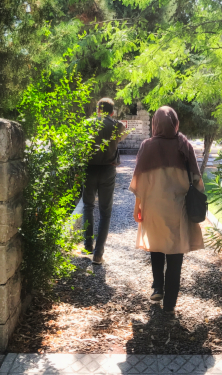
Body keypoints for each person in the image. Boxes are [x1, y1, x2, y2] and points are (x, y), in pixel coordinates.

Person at [129, 106, 204, 314]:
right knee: (175, 254)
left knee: (156, 246)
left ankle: (158, 287)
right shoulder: (184, 144)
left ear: (155, 124)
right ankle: (170, 303)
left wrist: (138, 207)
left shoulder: (146, 146)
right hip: (177, 209)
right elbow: (197, 180)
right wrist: (198, 202)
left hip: (153, 208)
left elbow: (140, 183)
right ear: (175, 123)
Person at [83, 98, 126, 264]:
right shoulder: (118, 125)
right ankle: (98, 254)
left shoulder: (87, 124)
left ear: (97, 110)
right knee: (105, 212)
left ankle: (87, 245)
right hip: (108, 170)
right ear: (112, 111)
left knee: (88, 206)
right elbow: (120, 139)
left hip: (89, 169)